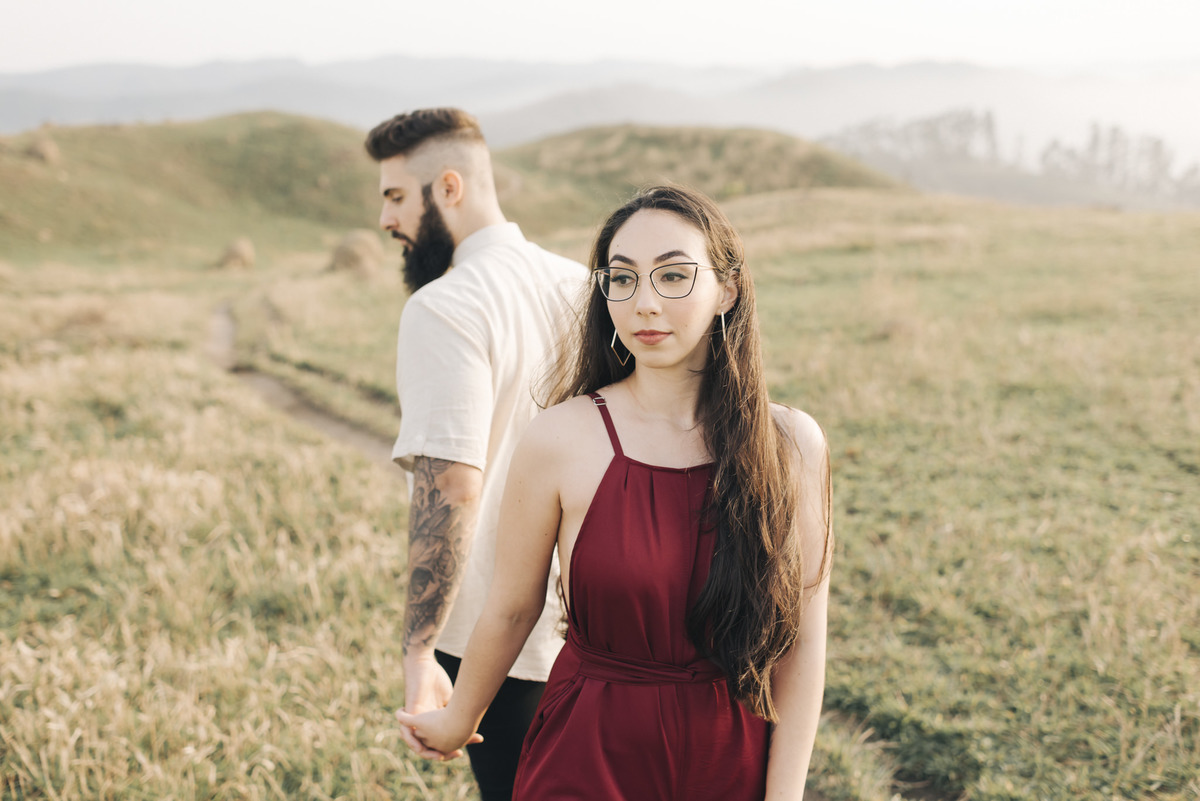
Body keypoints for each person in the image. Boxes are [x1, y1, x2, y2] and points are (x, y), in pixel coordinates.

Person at [396, 185, 833, 799]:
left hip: (728, 756)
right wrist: (458, 719)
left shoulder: (792, 445)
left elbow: (803, 642)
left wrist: (782, 796)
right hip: (588, 752)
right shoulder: (560, 438)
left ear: (726, 290)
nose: (644, 304)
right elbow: (513, 606)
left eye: (674, 276)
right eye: (622, 279)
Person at [364, 108, 587, 801]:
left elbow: (454, 483)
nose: (386, 221)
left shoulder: (444, 306)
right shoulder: (584, 284)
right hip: (597, 620)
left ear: (449, 188)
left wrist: (420, 650)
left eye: (396, 196)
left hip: (499, 640)